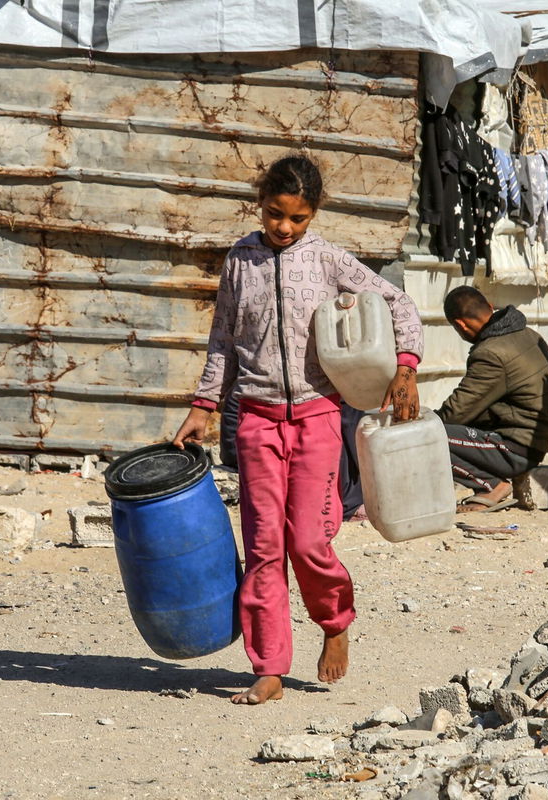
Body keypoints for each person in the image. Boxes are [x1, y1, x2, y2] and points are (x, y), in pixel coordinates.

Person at [172, 154, 423, 705]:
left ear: (314, 215)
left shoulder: (330, 260)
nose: (284, 227)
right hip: (256, 418)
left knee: (309, 541)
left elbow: (400, 304)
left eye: (298, 218)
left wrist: (406, 367)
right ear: (260, 205)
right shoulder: (240, 260)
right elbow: (222, 340)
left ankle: (334, 622)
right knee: (264, 547)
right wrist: (203, 405)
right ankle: (269, 667)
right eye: (274, 213)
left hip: (317, 416)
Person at [435, 286, 548, 512]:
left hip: (514, 449)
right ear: (491, 308)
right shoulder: (529, 334)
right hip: (534, 442)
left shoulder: (490, 353)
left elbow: (456, 412)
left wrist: (421, 420)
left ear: (460, 325)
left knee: (427, 436)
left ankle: (490, 486)